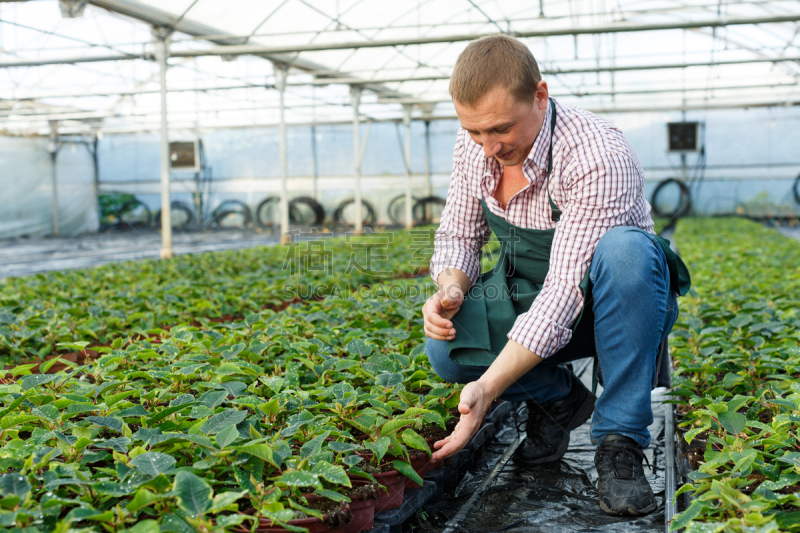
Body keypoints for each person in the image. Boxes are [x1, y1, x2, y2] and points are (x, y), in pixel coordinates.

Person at [421, 34, 691, 517]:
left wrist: (490, 388)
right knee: (446, 350)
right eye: (475, 131)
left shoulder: (595, 154)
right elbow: (459, 233)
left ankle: (619, 441)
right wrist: (452, 287)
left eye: (501, 128)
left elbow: (565, 292)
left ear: (540, 96)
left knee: (626, 252)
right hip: (532, 290)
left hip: (615, 303)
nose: (489, 146)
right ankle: (563, 399)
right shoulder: (476, 144)